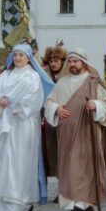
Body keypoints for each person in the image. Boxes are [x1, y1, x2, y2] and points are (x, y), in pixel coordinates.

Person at [44, 48, 106, 211]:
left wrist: (96, 105)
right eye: (70, 61)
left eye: (76, 61)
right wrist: (57, 109)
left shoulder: (93, 82)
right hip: (66, 134)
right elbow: (49, 102)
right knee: (69, 170)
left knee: (83, 169)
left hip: (87, 134)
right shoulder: (61, 83)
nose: (72, 64)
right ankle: (83, 207)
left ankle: (77, 209)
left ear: (84, 62)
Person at [0, 44, 54, 211]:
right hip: (2, 125)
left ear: (28, 58)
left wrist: (12, 104)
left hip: (22, 126)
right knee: (2, 162)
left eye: (21, 55)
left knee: (19, 162)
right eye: (15, 55)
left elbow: (32, 101)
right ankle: (1, 203)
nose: (17, 58)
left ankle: (19, 203)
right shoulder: (6, 75)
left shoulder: (32, 77)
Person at [42, 43, 68, 183]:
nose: (53, 64)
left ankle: (63, 187)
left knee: (64, 154)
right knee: (49, 153)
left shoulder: (68, 77)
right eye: (51, 61)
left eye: (56, 61)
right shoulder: (45, 77)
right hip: (48, 119)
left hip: (65, 118)